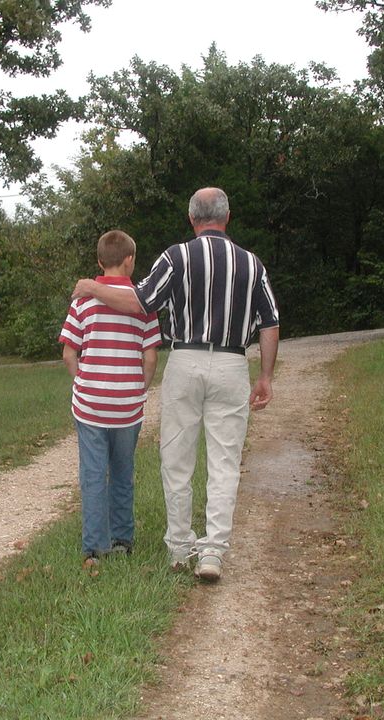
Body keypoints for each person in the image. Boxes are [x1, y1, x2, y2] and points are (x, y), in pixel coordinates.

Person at [72, 187, 279, 582]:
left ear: (192, 219)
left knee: (177, 459)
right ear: (227, 217)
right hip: (233, 363)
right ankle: (213, 552)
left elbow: (141, 301)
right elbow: (269, 322)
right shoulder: (253, 265)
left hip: (185, 360)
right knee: (223, 462)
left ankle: (180, 549)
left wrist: (93, 287)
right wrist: (266, 376)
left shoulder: (176, 257)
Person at [60, 230, 161, 566]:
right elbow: (150, 358)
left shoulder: (83, 300)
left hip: (90, 404)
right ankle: (123, 538)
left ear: (100, 261)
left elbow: (68, 352)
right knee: (122, 471)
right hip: (127, 406)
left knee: (93, 473)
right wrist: (139, 388)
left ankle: (94, 548)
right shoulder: (142, 301)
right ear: (130, 260)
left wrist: (83, 381)